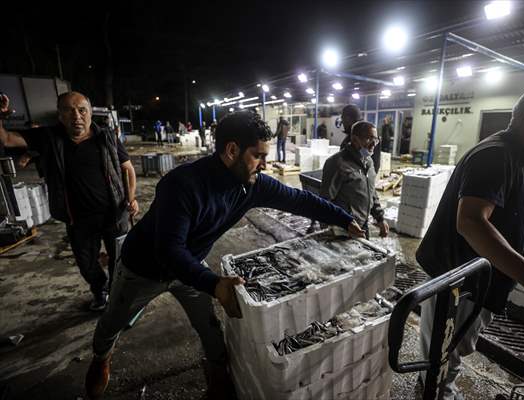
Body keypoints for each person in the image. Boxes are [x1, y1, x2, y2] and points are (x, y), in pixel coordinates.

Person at [84, 111, 365, 399]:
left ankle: (218, 377)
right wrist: (213, 283)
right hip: (142, 269)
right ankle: (101, 357)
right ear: (232, 151)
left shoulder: (252, 185)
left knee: (210, 329)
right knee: (112, 323)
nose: (265, 164)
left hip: (191, 265)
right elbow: (168, 250)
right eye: (258, 155)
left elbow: (299, 200)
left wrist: (342, 219)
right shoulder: (182, 184)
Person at [415, 83, 524, 400]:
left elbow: (513, 221)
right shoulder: (495, 156)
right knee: (441, 358)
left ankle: (440, 391)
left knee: (455, 352)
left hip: (485, 283)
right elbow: (471, 222)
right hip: (458, 283)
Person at [0, 92, 139, 311]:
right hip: (79, 218)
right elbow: (6, 139)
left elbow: (128, 169)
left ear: (90, 113)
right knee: (86, 263)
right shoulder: (48, 138)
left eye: (82, 110)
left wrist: (131, 198)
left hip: (115, 213)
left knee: (120, 260)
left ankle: (116, 295)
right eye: (69, 110)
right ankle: (99, 289)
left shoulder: (107, 137)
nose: (77, 115)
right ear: (60, 115)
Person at [321, 121, 389, 239]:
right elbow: (325, 201)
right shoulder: (337, 163)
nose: (373, 144)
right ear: (354, 139)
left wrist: (380, 218)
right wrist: (333, 229)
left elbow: (371, 191)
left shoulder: (369, 162)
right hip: (343, 229)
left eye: (376, 140)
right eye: (369, 138)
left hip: (363, 226)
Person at [340, 104, 381, 173]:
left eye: (342, 119)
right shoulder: (348, 138)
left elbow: (374, 164)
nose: (342, 123)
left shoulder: (367, 136)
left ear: (347, 118)